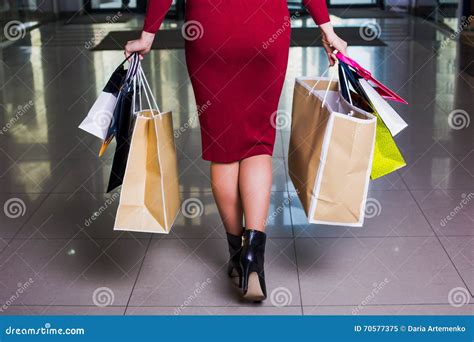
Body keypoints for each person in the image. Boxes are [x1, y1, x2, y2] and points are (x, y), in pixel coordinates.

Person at [125, 0, 348, 302]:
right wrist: (327, 29)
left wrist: (148, 34)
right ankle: (254, 259)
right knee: (258, 145)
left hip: (210, 32)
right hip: (266, 31)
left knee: (224, 149)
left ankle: (237, 255)